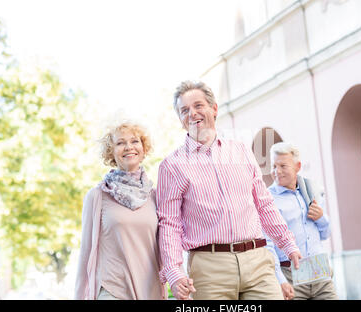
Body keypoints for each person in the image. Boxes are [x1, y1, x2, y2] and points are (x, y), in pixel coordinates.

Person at [156, 80, 302, 300]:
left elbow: (263, 203)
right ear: (180, 119)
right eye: (184, 110)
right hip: (209, 270)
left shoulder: (241, 151)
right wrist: (174, 272)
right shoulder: (171, 166)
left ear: (214, 109)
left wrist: (287, 243)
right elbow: (170, 223)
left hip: (258, 261)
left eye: (198, 105)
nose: (192, 113)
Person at [74, 121, 167, 300]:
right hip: (112, 290)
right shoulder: (98, 196)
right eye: (120, 143)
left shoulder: (156, 196)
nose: (128, 147)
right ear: (111, 152)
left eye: (134, 141)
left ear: (143, 148)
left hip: (150, 290)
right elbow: (85, 254)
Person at [265, 142, 338, 300]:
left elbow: (325, 234)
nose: (277, 171)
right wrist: (280, 280)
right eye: (273, 166)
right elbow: (268, 244)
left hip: (320, 272)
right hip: (291, 275)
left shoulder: (312, 189)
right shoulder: (267, 199)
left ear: (297, 166)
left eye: (283, 166)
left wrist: (321, 218)